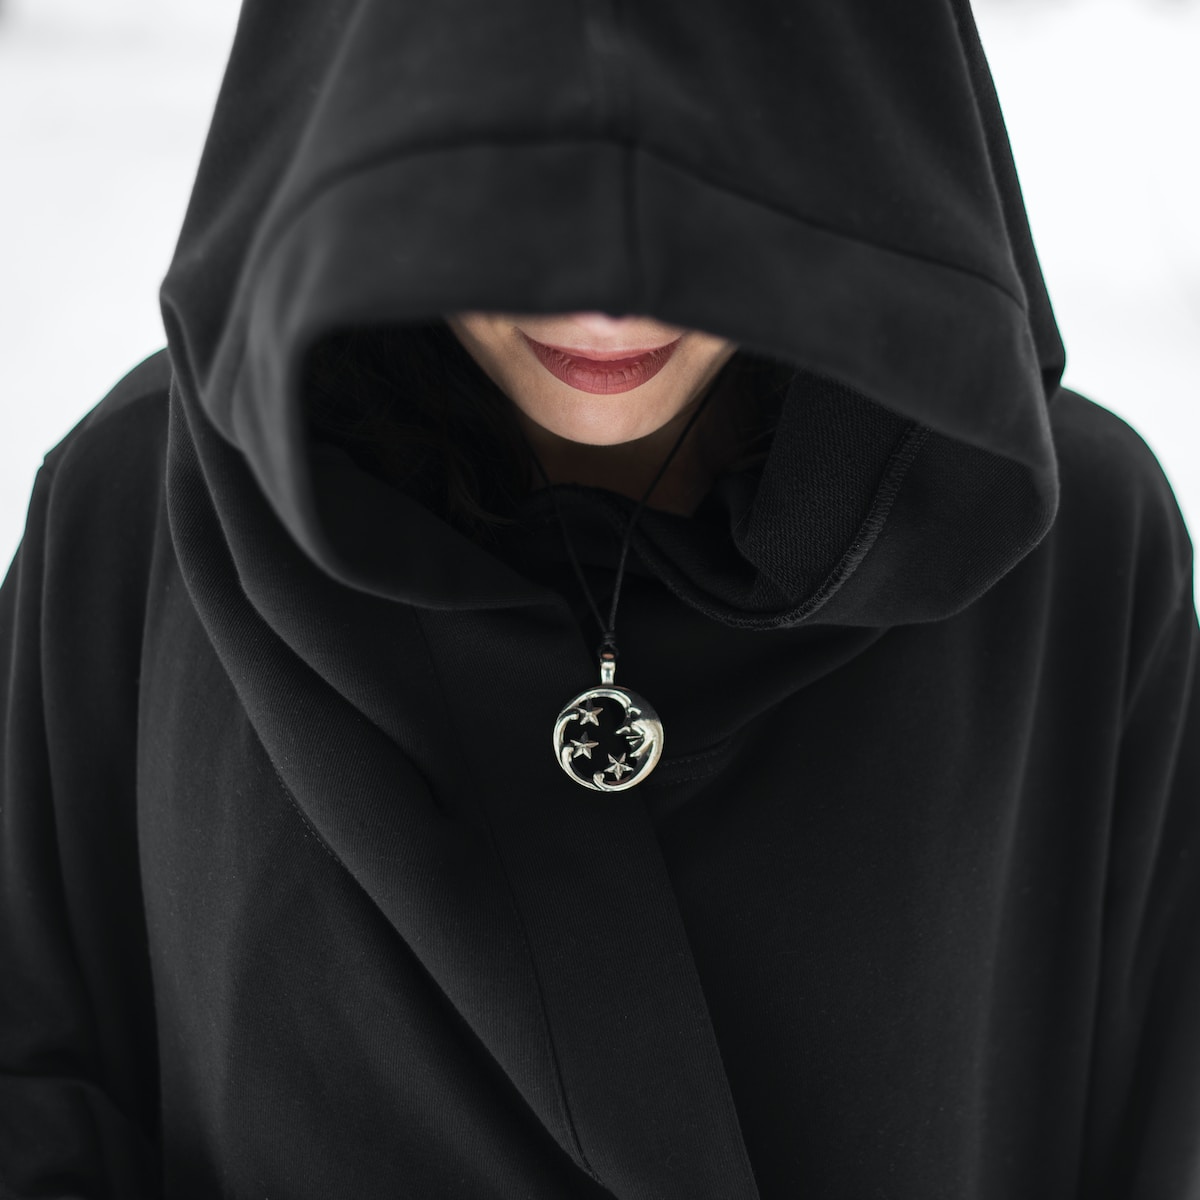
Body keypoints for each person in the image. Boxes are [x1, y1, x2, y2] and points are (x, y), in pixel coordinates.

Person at [1, 0, 1196, 1196]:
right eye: (527, 178)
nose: (610, 305)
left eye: (698, 182)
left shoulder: (1076, 550)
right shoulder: (133, 518)